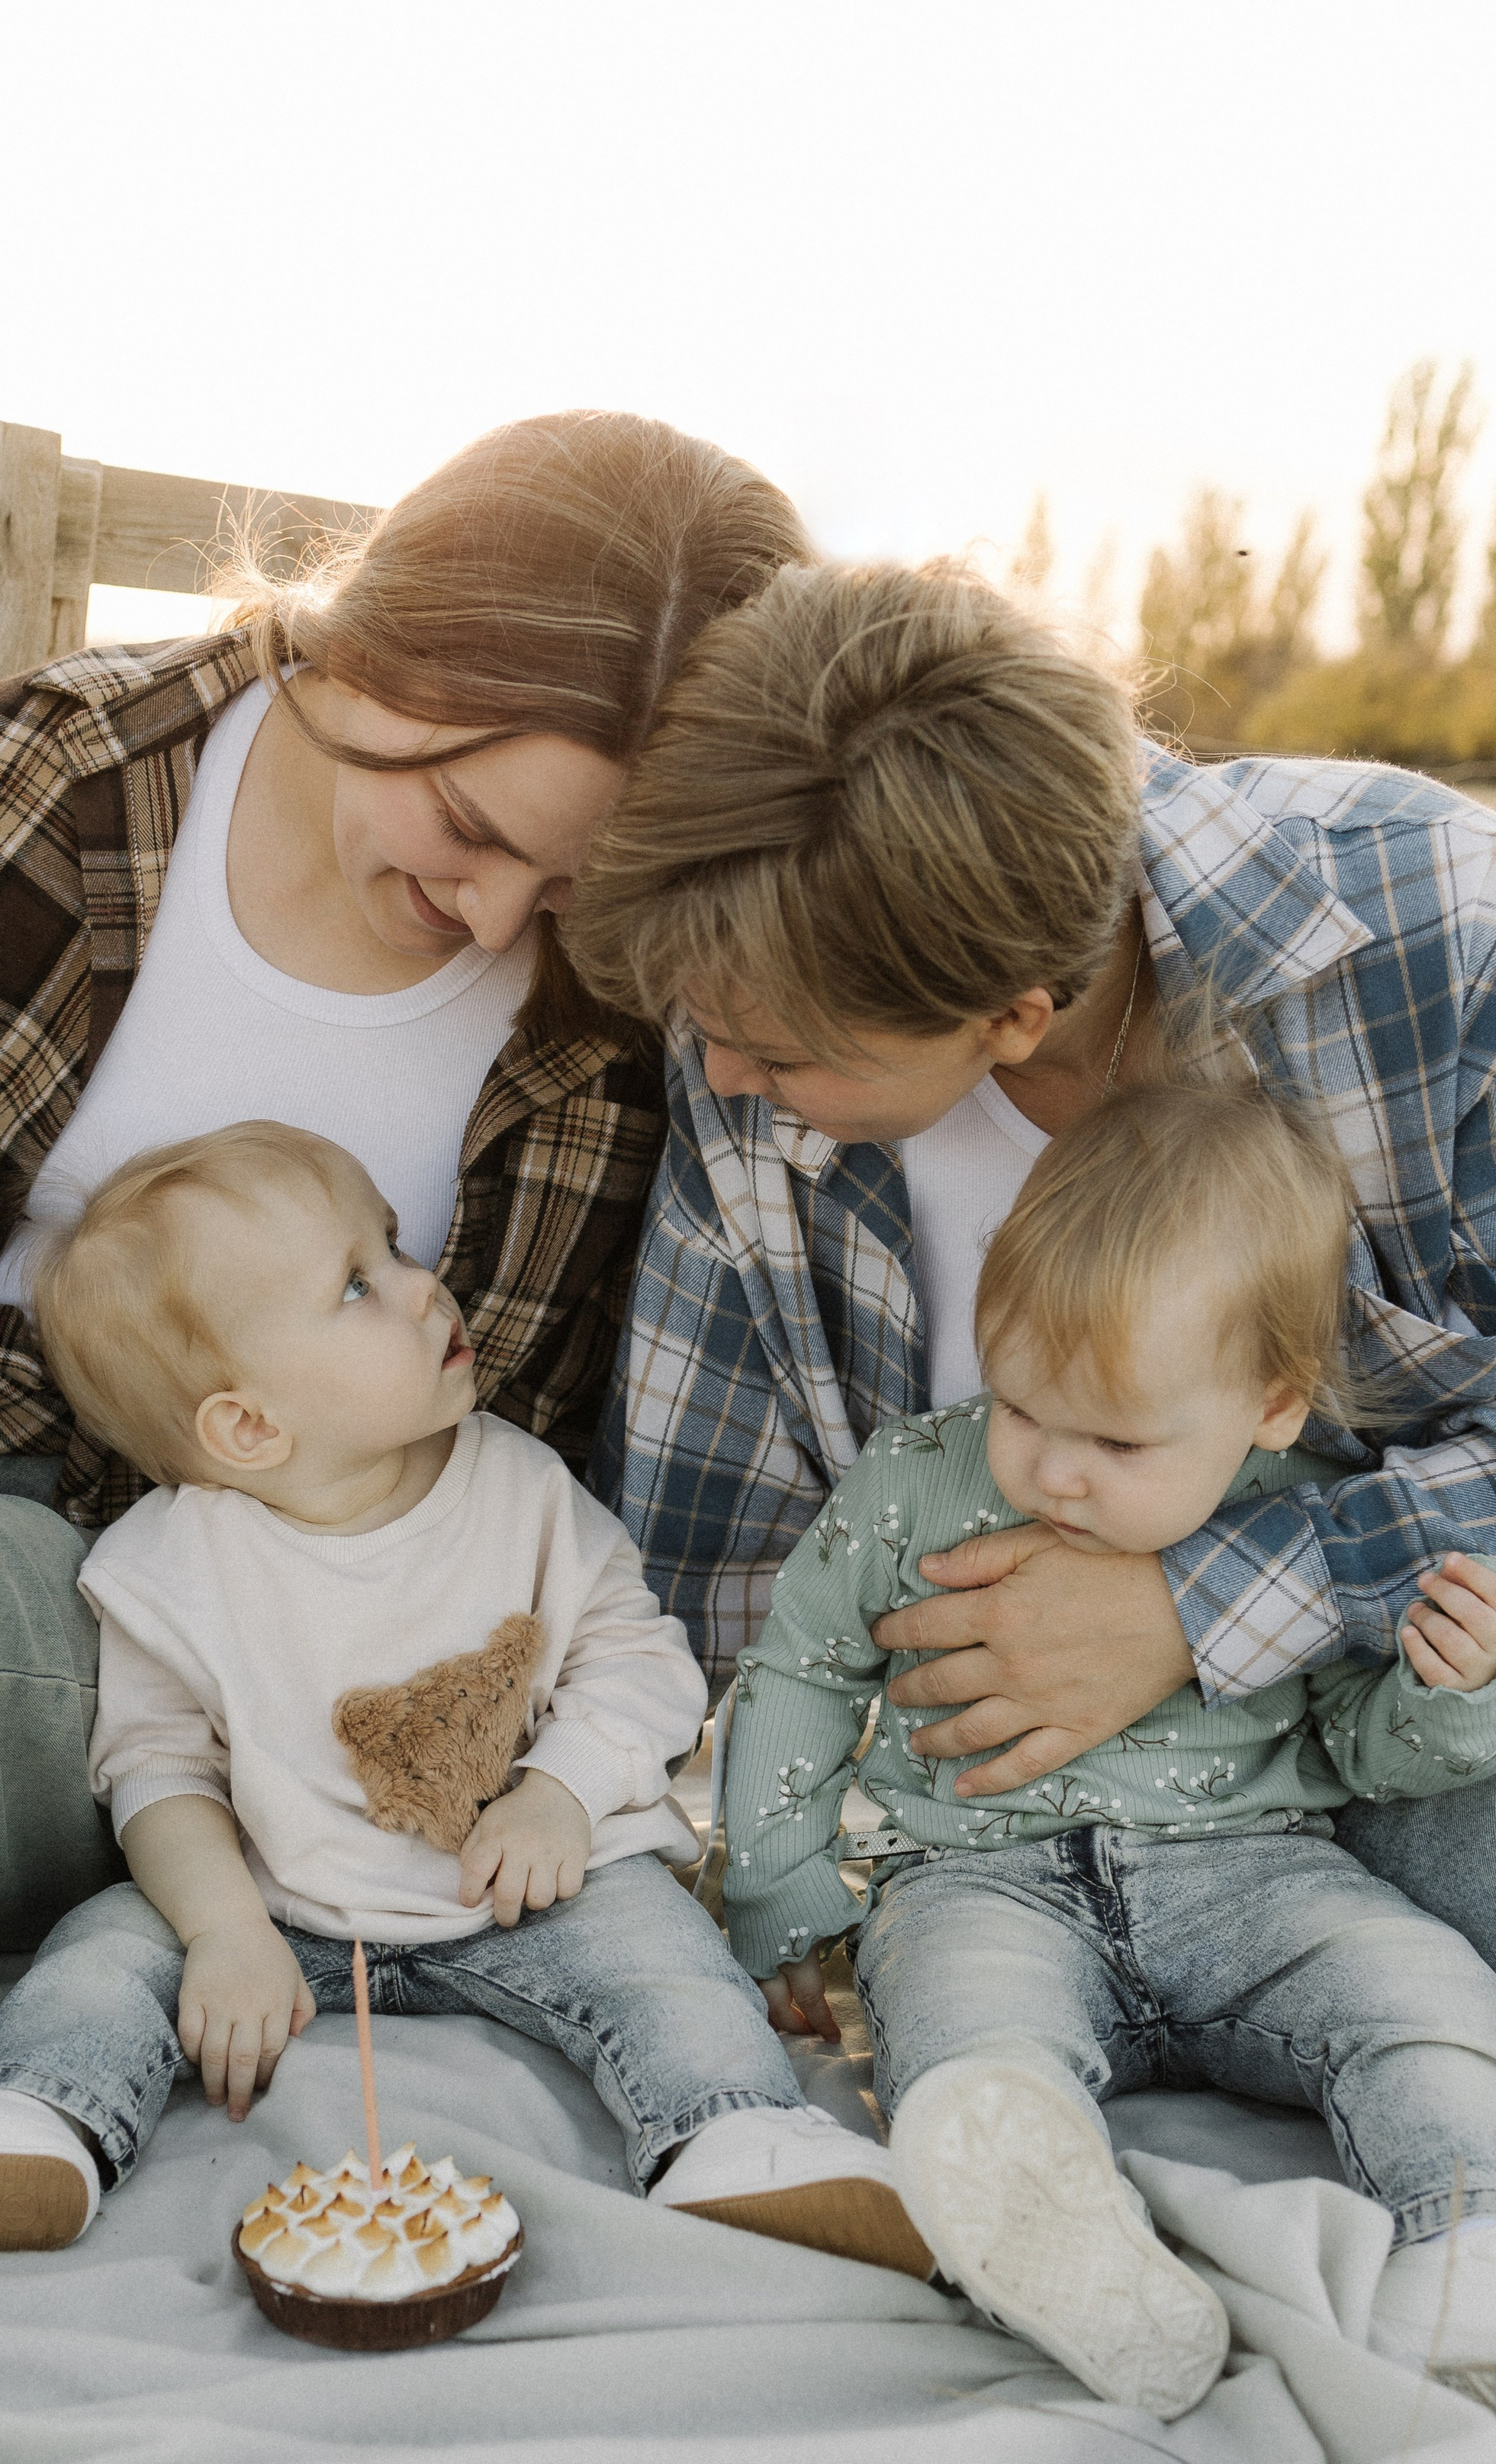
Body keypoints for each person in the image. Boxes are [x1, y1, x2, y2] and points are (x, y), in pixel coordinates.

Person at [0, 412, 812, 2087]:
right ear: (375, 653)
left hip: (387, 1732)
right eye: (474, 827)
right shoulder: (15, 795)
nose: (504, 925)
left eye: (575, 886)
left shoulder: (634, 1001)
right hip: (31, 1639)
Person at [561, 555, 1496, 2014]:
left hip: (1366, 1737)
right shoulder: (746, 1013)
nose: (726, 1075)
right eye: (711, 1030)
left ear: (1013, 1017)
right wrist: (708, 1855)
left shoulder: (1440, 949)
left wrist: (1202, 1603)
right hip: (978, 1855)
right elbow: (704, 1550)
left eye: (784, 1056)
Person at [0, 1126, 890, 2256]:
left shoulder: (523, 1489)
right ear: (249, 1426)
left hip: (532, 1894)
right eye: (358, 1284)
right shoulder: (170, 1569)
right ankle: (37, 2114)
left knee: (669, 1968)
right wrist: (222, 1931)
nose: (420, 1287)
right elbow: (158, 1774)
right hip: (280, 1903)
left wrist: (560, 1793)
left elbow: (642, 1662)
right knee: (103, 1954)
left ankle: (731, 2135)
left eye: (395, 1248)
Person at [717, 1083, 1496, 2413]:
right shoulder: (912, 1481)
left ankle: (1464, 2234)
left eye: (1118, 1439)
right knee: (967, 2040)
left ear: (1269, 1404)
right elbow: (799, 1668)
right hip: (976, 1880)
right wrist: (780, 1893)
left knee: (1416, 1994)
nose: (1053, 1472)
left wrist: (1450, 1691)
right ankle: (1066, 2242)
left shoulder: (1299, 1516)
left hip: (1258, 1873)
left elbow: (1360, 1753)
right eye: (1021, 1405)